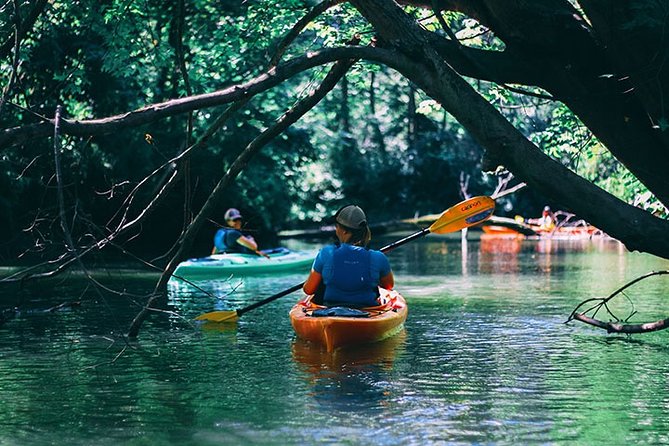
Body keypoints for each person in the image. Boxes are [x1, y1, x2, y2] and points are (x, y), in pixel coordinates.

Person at [303, 205, 394, 307]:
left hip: (330, 312)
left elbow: (308, 290)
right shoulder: (379, 257)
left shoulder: (326, 253)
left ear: (344, 231)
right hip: (368, 313)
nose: (336, 230)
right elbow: (388, 286)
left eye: (336, 227)